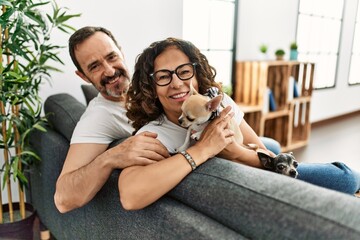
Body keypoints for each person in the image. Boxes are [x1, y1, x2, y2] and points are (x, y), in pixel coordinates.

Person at [121, 37, 360, 210]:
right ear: (150, 87)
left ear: (195, 75)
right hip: (250, 180)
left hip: (254, 164)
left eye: (183, 71)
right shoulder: (154, 134)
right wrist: (203, 149)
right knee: (346, 177)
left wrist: (236, 151)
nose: (176, 83)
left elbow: (260, 149)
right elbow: (130, 197)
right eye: (163, 76)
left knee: (272, 146)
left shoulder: (218, 102)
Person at [54, 26, 171, 213]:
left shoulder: (152, 81)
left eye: (111, 57)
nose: (109, 71)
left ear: (121, 52)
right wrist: (111, 157)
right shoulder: (98, 117)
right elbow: (63, 200)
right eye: (94, 66)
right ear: (83, 76)